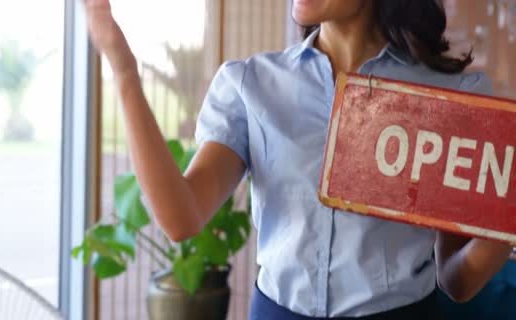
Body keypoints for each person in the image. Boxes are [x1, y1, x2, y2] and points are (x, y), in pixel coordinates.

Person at [83, 0, 513, 319]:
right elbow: (181, 218)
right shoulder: (251, 84)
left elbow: (455, 281)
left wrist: (505, 218)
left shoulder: (453, 98)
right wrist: (123, 72)